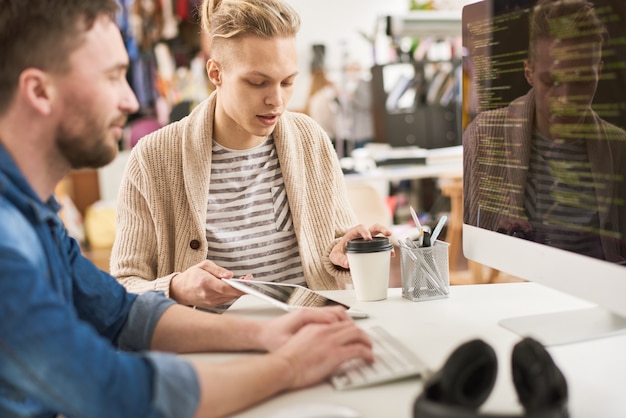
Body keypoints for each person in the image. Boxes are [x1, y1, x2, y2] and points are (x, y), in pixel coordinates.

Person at [0, 1, 375, 417]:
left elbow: (123, 313)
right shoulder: (7, 243)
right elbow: (111, 390)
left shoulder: (38, 221)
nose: (130, 100)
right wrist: (287, 366)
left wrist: (267, 333)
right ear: (39, 91)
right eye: (112, 77)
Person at [110, 0, 391, 311]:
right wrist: (175, 288)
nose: (277, 100)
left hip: (311, 333)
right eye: (257, 82)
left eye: (288, 82)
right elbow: (124, 286)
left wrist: (345, 249)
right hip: (212, 346)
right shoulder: (153, 158)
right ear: (216, 73)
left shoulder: (310, 140)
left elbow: (332, 245)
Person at [463, 0, 626, 262]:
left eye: (582, 81)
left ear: (600, 73)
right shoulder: (484, 135)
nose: (566, 99)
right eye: (551, 82)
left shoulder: (618, 147)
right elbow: (473, 252)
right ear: (529, 72)